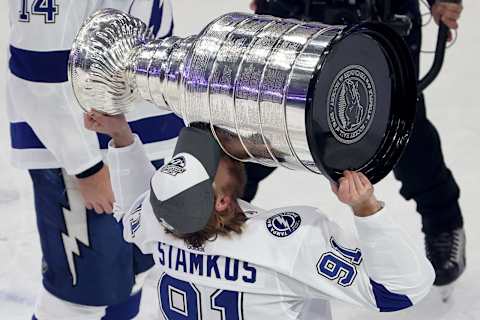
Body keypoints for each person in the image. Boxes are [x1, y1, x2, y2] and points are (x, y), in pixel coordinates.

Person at [84, 110, 434, 319]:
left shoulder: (159, 225)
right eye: (213, 162)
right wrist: (366, 209)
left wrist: (121, 137)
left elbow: (135, 206)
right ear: (222, 201)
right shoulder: (286, 242)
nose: (217, 150)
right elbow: (398, 292)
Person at [246, 0, 466, 287]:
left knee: (401, 128)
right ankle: (221, 216)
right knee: (264, 122)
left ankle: (444, 223)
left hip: (382, 13)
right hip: (295, 11)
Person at [6, 1, 184, 319]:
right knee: (79, 298)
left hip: (149, 137)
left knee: (132, 274)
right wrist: (85, 166)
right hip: (85, 153)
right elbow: (38, 76)